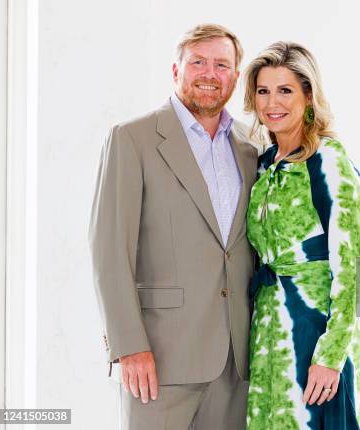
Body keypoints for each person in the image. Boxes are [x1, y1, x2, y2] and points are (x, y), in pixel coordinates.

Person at [88, 23, 258, 430]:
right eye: (198, 62)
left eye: (221, 65)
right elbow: (109, 250)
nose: (209, 73)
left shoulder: (252, 145)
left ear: (235, 77)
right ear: (175, 70)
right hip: (159, 361)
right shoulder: (132, 139)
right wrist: (128, 346)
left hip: (237, 361)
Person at [243, 42, 360, 429]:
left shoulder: (328, 159)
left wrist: (330, 355)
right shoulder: (263, 164)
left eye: (285, 90)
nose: (272, 102)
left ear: (308, 95)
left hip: (314, 330)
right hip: (267, 332)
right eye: (263, 91)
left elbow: (351, 265)